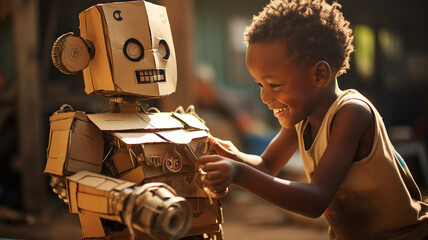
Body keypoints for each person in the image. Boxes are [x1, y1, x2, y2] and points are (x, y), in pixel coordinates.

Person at [196, 0, 428, 239]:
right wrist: (232, 157)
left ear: (319, 74)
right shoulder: (301, 119)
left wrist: (239, 173)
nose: (264, 97)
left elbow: (315, 199)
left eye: (274, 85)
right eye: (259, 84)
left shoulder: (352, 113)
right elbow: (267, 166)